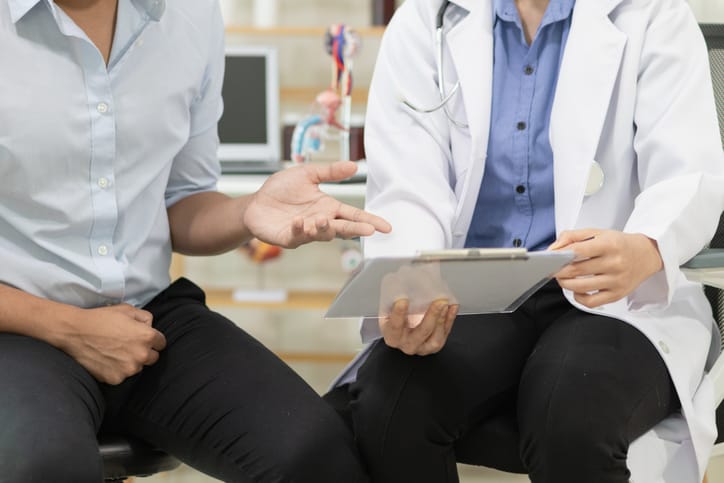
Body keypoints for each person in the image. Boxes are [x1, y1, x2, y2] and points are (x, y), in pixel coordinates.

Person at [328, 0, 724, 482]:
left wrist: (646, 246)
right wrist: (413, 284)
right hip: (479, 295)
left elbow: (690, 172)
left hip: (612, 299)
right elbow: (407, 187)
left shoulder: (652, 12)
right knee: (389, 406)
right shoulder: (425, 18)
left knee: (570, 415)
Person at [0, 0, 391, 482]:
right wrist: (69, 327)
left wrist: (250, 211)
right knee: (39, 468)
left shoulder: (191, 16)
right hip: (16, 325)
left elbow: (182, 205)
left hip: (147, 318)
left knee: (314, 454)